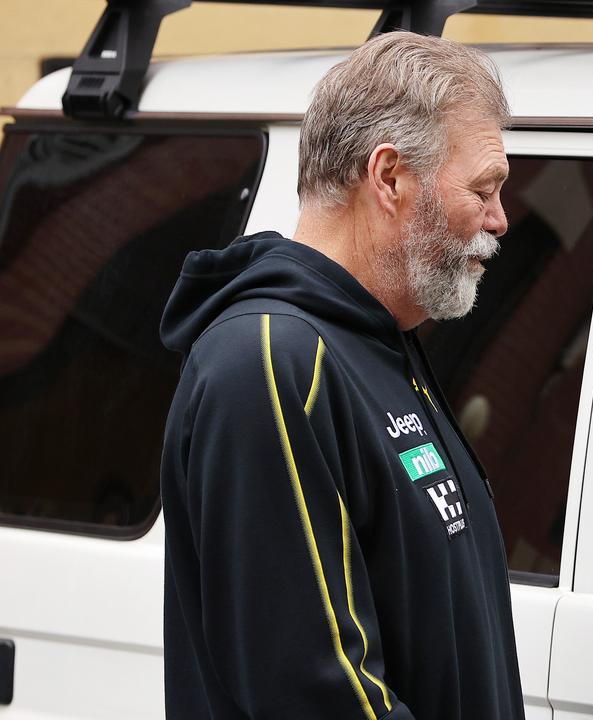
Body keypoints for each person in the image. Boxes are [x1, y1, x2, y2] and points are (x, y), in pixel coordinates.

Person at [159, 32, 522, 719]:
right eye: (483, 188)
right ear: (388, 177)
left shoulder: (378, 342)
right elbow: (317, 693)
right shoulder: (267, 365)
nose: (501, 219)